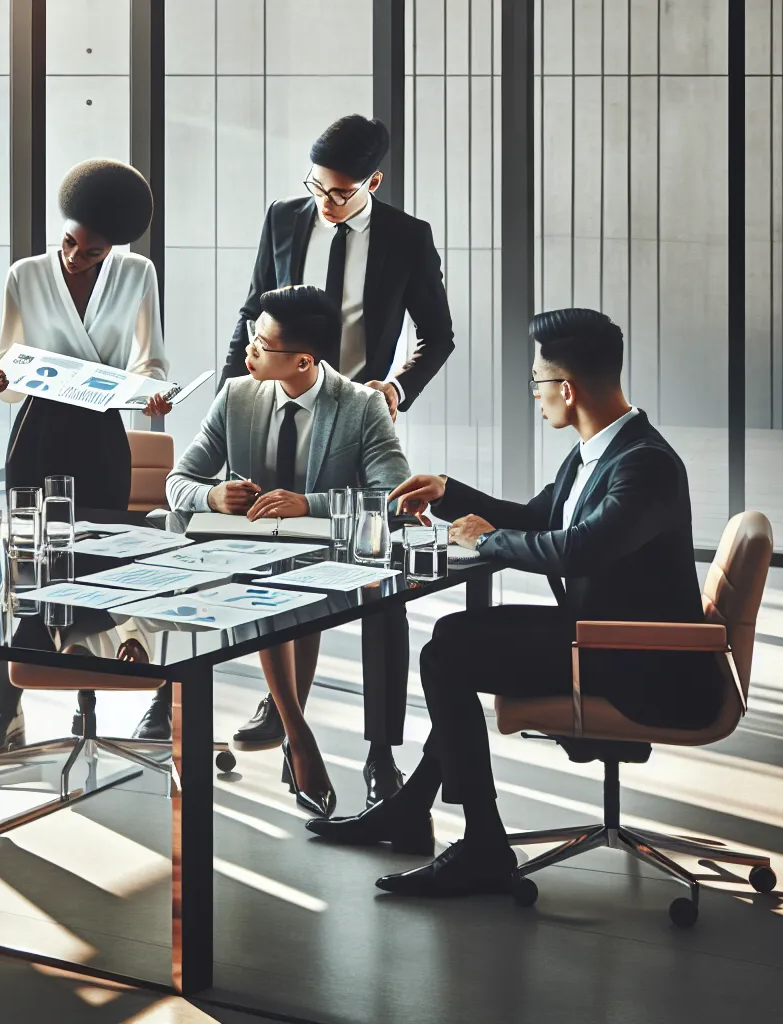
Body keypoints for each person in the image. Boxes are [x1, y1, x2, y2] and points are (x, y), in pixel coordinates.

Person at [305, 308, 723, 897]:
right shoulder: (596, 452)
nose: (534, 395)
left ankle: (482, 844)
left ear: (567, 389)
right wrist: (449, 495)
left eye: (536, 383)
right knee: (452, 638)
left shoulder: (644, 465)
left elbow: (578, 549)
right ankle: (413, 809)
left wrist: (487, 539)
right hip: (601, 635)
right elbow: (538, 519)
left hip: (640, 658)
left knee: (449, 655)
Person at [218, 115, 457, 796]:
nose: (325, 201)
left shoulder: (407, 238)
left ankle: (380, 749)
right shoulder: (284, 219)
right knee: (274, 568)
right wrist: (240, 401)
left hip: (356, 420)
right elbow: (250, 316)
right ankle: (284, 705)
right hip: (279, 413)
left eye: (341, 191)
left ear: (374, 183)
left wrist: (395, 387)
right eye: (317, 186)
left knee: (380, 588)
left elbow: (436, 336)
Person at [165, 285, 410, 817]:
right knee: (266, 575)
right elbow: (178, 481)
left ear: (303, 359)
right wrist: (212, 495)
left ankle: (373, 753)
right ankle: (297, 733)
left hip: (332, 558)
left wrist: (310, 504)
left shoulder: (362, 406)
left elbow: (392, 493)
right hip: (249, 557)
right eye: (252, 337)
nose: (247, 351)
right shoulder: (236, 396)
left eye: (261, 344)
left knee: (383, 606)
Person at [0, 159, 172, 751]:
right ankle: (8, 705)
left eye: (90, 254)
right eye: (68, 243)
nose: (73, 258)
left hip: (102, 434)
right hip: (38, 432)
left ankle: (85, 700)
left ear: (112, 248)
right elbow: (10, 367)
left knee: (96, 564)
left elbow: (151, 358)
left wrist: (152, 392)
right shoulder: (25, 275)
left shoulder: (138, 273)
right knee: (33, 565)